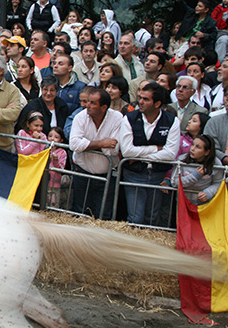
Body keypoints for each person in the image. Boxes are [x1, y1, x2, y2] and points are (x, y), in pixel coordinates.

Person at [119, 82, 180, 227]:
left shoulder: (172, 121)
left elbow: (171, 154)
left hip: (158, 175)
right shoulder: (129, 118)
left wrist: (139, 155)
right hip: (134, 174)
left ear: (157, 103)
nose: (140, 102)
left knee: (152, 217)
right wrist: (157, 149)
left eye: (146, 99)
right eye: (140, 97)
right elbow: (127, 151)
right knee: (136, 217)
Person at [69, 88, 122, 219]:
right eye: (87, 101)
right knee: (81, 213)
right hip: (82, 172)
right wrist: (101, 144)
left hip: (107, 175)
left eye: (92, 103)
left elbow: (114, 150)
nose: (87, 105)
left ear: (103, 107)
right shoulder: (80, 117)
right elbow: (74, 145)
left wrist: (87, 145)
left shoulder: (117, 118)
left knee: (104, 215)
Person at [176, 135, 223, 205]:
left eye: (198, 147)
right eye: (192, 145)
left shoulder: (216, 163)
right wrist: (195, 176)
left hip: (205, 203)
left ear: (207, 152)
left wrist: (208, 193)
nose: (192, 149)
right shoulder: (182, 159)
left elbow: (218, 183)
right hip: (183, 201)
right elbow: (175, 182)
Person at [204, 92, 228, 167]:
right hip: (219, 168)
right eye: (226, 96)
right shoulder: (214, 122)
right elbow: (209, 145)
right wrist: (224, 158)